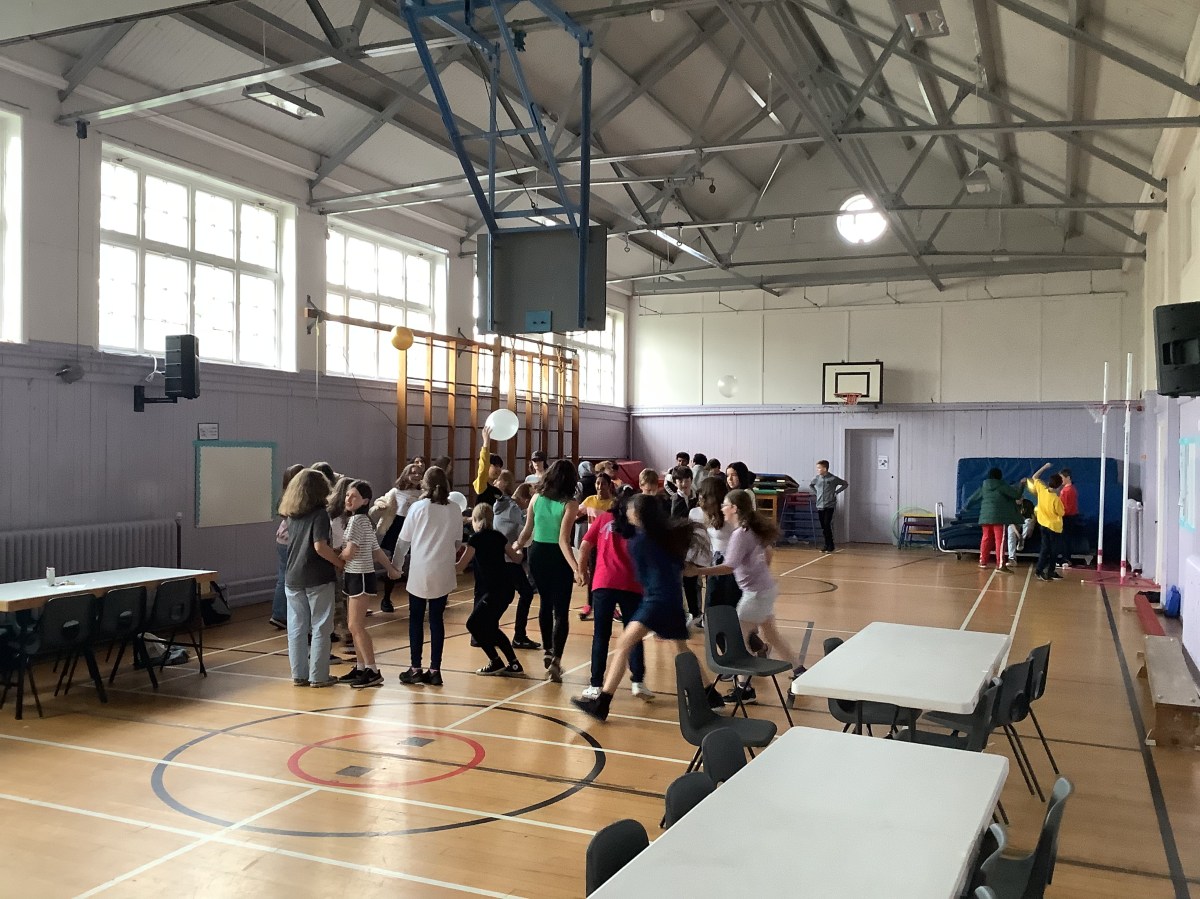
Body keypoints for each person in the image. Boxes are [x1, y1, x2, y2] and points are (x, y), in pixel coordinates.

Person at [572, 494, 718, 722]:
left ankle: (602, 703)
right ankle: (711, 694)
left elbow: (641, 574)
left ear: (638, 514)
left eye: (630, 509)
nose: (626, 512)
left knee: (623, 644)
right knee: (681, 649)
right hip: (672, 601)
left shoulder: (640, 541)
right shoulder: (664, 538)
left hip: (656, 601)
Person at [689, 488, 805, 705]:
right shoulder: (751, 529)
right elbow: (767, 553)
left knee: (739, 640)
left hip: (756, 594)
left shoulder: (740, 534)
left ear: (734, 508)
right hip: (764, 589)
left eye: (725, 505)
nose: (722, 508)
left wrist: (698, 571)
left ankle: (744, 689)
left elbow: (729, 566)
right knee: (771, 635)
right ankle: (800, 671)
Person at [577, 489, 653, 701]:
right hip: (631, 584)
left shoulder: (604, 519)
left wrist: (581, 570)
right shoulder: (638, 524)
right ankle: (638, 682)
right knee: (634, 633)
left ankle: (595, 685)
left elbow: (584, 545)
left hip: (604, 582)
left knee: (601, 634)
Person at [393, 467, 463, 686]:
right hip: (443, 570)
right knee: (436, 620)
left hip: (420, 570)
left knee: (416, 619)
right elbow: (457, 543)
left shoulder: (418, 507)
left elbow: (403, 541)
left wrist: (395, 566)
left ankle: (415, 668)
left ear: (425, 484)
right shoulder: (454, 508)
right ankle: (435, 670)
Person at [514, 459, 580, 682]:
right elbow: (563, 540)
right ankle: (556, 659)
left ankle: (548, 650)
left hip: (537, 554)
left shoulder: (536, 498)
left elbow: (527, 531)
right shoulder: (570, 504)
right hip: (557, 556)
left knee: (545, 603)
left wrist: (516, 545)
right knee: (561, 611)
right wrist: (576, 568)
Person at [279, 468, 344, 688]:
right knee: (321, 627)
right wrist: (339, 562)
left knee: (296, 628)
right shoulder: (320, 514)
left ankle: (299, 674)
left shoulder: (292, 514)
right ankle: (319, 675)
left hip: (293, 576)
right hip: (317, 576)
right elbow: (320, 546)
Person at [340, 481, 402, 689]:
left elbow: (350, 552)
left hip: (359, 575)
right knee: (354, 625)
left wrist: (334, 555)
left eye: (354, 496)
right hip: (356, 575)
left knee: (355, 626)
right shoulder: (364, 521)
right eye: (347, 495)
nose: (349, 499)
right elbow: (376, 550)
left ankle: (372, 670)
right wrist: (391, 569)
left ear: (365, 501)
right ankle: (360, 667)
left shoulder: (356, 521)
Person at [457, 504, 525, 676]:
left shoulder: (476, 539)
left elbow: (460, 566)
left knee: (473, 624)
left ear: (476, 520)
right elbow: (516, 559)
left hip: (493, 592)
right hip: (506, 590)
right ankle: (514, 664)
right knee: (491, 627)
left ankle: (496, 661)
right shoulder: (499, 536)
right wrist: (520, 549)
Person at [492, 470, 540, 650]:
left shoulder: (507, 506)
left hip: (506, 557)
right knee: (525, 593)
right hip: (507, 558)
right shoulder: (509, 506)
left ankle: (488, 628)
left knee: (505, 595)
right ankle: (518, 636)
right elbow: (527, 523)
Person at [373, 463, 422, 613]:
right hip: (399, 527)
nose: (416, 475)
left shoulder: (423, 493)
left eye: (419, 473)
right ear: (406, 475)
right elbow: (381, 500)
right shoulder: (396, 491)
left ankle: (418, 599)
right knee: (396, 563)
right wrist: (381, 506)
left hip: (416, 528)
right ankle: (386, 598)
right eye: (413, 473)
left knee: (417, 563)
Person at [691, 476, 739, 612]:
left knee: (730, 604)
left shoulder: (729, 514)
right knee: (712, 604)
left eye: (705, 496)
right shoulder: (701, 513)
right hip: (715, 561)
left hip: (732, 563)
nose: (701, 499)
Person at [270, 463, 305, 630]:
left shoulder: (285, 496)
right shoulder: (299, 498)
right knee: (289, 579)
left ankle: (279, 614)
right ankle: (282, 615)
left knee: (283, 577)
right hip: (291, 540)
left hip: (281, 539)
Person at [968, 468, 1022, 573]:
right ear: (999, 476)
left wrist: (966, 507)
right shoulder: (1002, 485)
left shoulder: (984, 486)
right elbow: (1016, 495)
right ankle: (1000, 565)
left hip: (985, 517)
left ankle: (982, 562)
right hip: (999, 517)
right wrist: (1022, 485)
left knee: (986, 538)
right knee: (1000, 541)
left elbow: (973, 498)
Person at [577, 471, 615, 620]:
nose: (600, 486)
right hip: (593, 544)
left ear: (609, 485)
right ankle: (589, 604)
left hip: (608, 545)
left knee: (609, 574)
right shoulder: (589, 500)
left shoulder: (613, 503)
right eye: (598, 483)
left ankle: (612, 607)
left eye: (603, 484)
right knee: (592, 573)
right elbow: (575, 514)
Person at [325, 476, 355, 650]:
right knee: (339, 599)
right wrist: (340, 562)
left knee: (347, 598)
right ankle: (343, 631)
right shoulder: (337, 518)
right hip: (340, 561)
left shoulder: (352, 517)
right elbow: (338, 544)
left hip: (349, 561)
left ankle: (345, 629)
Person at [1025, 464, 1066, 582]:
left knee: (1046, 549)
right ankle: (1041, 571)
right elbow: (1061, 513)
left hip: (1043, 525)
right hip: (1054, 528)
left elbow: (1034, 477)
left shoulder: (1042, 490)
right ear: (1059, 486)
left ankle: (1048, 571)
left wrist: (1045, 467)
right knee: (1053, 551)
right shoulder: (1056, 499)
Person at [809, 460, 848, 553]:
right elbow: (811, 485)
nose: (818, 470)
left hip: (829, 505)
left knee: (827, 524)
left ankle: (831, 545)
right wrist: (817, 493)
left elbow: (845, 484)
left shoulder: (833, 479)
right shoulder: (817, 478)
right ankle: (826, 544)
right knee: (823, 526)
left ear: (825, 469)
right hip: (820, 505)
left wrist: (836, 492)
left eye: (819, 468)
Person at [472, 427, 504, 506]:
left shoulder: (498, 491)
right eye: (495, 465)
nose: (498, 469)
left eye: (500, 466)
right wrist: (486, 442)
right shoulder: (481, 485)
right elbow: (483, 467)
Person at [1057, 468, 1079, 567]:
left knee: (1065, 539)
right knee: (1064, 539)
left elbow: (1067, 507)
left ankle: (1066, 559)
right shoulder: (1067, 489)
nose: (1060, 480)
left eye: (1062, 478)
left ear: (1068, 478)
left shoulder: (1068, 490)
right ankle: (1065, 558)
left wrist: (1059, 514)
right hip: (1067, 516)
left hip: (1067, 517)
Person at [1008, 498, 1036, 562]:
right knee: (1010, 530)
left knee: (1028, 521)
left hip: (1025, 523)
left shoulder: (1028, 503)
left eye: (1020, 497)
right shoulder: (1010, 505)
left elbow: (1033, 517)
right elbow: (1011, 522)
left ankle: (1022, 541)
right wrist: (1018, 534)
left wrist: (1032, 528)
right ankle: (1012, 558)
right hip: (1016, 523)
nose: (1019, 499)